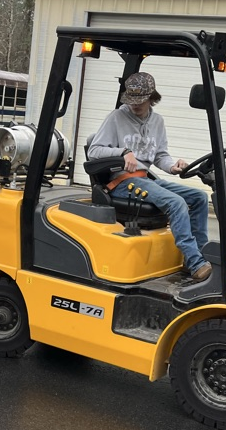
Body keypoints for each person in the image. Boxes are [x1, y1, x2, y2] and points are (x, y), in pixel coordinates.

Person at [87, 71, 212, 282]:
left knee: (199, 197)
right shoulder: (116, 118)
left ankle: (197, 255)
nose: (135, 105)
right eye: (131, 100)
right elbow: (94, 151)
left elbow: (160, 155)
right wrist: (122, 152)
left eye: (140, 101)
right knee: (176, 203)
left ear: (152, 98)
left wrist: (173, 166)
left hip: (146, 178)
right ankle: (195, 262)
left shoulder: (157, 122)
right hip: (122, 181)